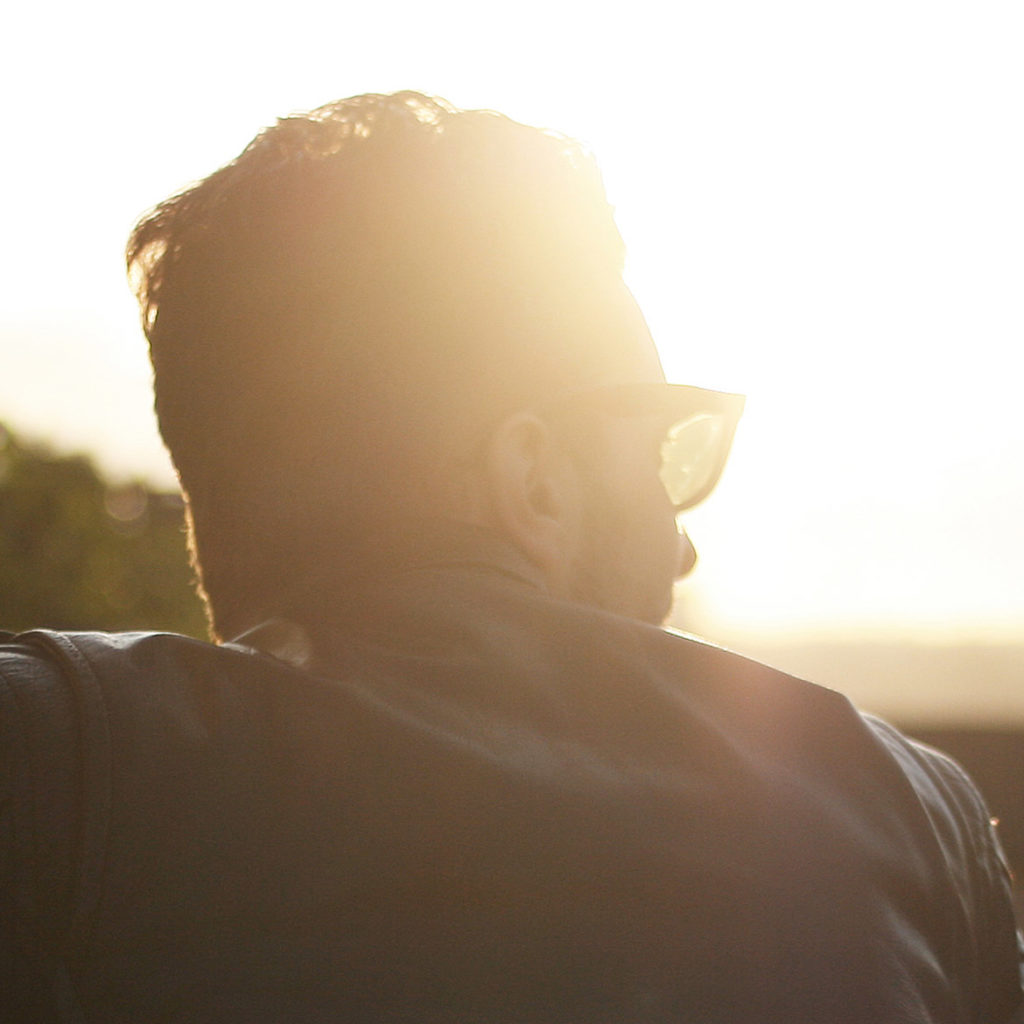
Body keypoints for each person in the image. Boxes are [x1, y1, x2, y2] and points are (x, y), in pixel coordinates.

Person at [1, 91, 1020, 1023]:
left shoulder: (55, 768)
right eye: (657, 456)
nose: (682, 543)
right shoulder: (908, 822)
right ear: (533, 477)